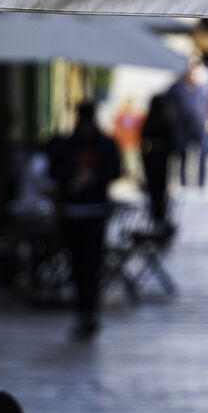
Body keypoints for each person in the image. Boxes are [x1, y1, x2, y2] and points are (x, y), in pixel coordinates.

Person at [52, 100, 123, 337]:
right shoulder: (67, 145)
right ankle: (83, 310)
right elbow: (55, 171)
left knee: (92, 264)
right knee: (77, 265)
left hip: (95, 212)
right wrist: (72, 179)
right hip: (73, 212)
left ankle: (89, 311)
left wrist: (92, 178)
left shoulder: (105, 145)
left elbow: (114, 170)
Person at [164, 66, 208, 192]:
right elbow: (166, 103)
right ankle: (181, 181)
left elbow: (207, 105)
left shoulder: (201, 89)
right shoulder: (176, 88)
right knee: (180, 155)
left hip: (198, 127)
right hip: (181, 128)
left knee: (202, 154)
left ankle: (200, 182)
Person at [137, 93, 177, 230]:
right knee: (159, 187)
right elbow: (172, 142)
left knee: (154, 188)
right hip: (160, 158)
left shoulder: (149, 121)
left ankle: (156, 213)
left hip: (152, 157)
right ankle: (159, 214)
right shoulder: (166, 121)